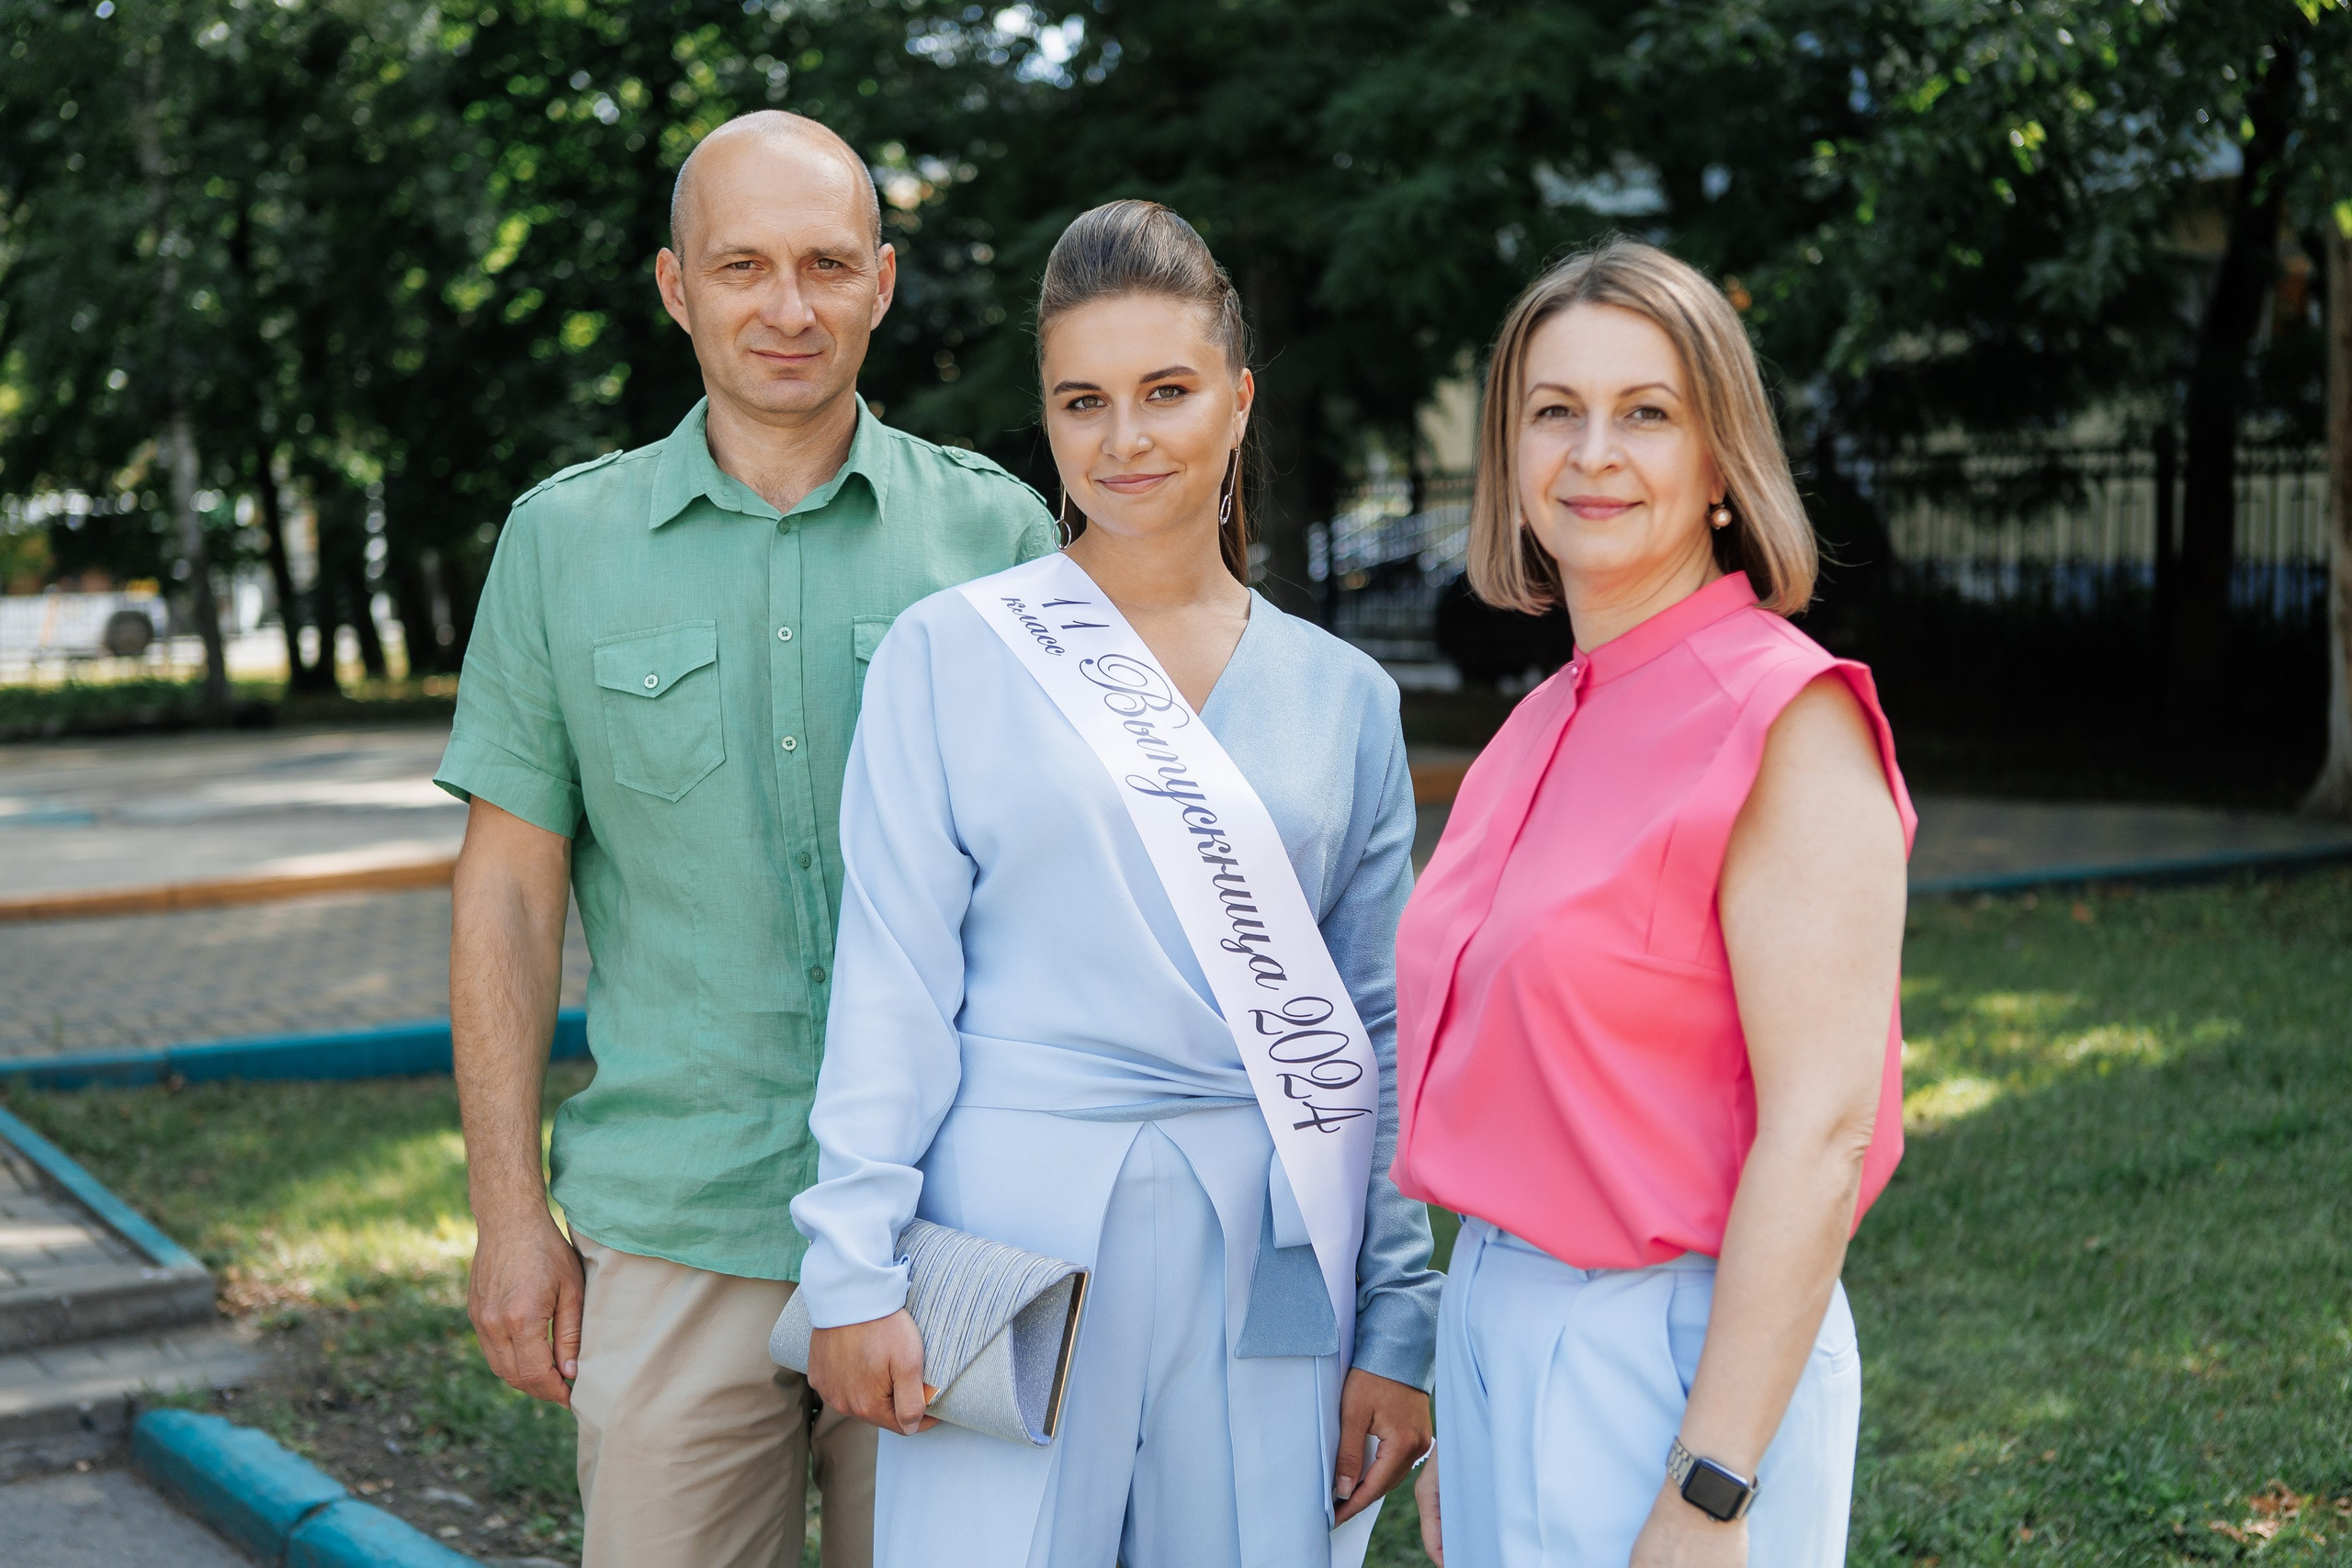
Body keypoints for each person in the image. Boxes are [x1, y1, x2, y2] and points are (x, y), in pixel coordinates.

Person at [435, 111, 1058, 1568]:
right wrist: (508, 1215)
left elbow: (1070, 897)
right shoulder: (560, 546)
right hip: (677, 1228)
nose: (789, 308)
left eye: (829, 264)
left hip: (951, 1229)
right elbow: (510, 900)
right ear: (675, 286)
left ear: (884, 284)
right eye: (744, 266)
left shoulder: (1001, 542)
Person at [787, 199, 1441, 1568]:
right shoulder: (950, 654)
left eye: (1167, 392)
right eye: (1084, 402)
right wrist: (851, 1265)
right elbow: (890, 980)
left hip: (1268, 1240)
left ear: (1241, 399)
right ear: (1047, 416)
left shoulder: (1346, 700)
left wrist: (1398, 1325)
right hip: (1011, 1228)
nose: (1125, 441)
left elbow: (1370, 1034)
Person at [1392, 240, 1914, 1568]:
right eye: (1554, 410)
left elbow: (1825, 1131)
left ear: (1722, 459)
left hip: (1677, 1363)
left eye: (1647, 413)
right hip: (1501, 1325)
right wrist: (1468, 1401)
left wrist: (1713, 1486)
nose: (1592, 453)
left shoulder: (1786, 717)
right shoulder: (1544, 720)